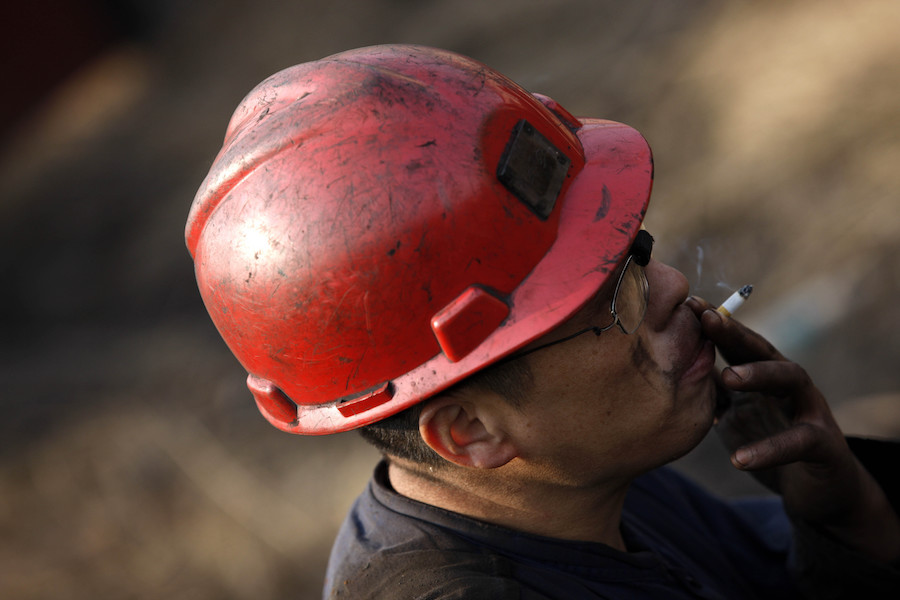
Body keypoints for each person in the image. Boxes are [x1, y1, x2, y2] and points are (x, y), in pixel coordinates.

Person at [185, 45, 900, 599]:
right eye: (614, 299)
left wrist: (845, 515)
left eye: (637, 257)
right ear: (472, 431)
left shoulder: (586, 480)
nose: (674, 288)